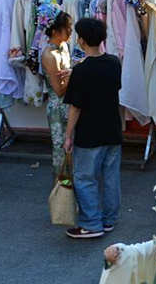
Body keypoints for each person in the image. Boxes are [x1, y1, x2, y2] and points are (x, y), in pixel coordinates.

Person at [63, 18, 122, 239]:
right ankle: (108, 220)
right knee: (110, 176)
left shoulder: (81, 70)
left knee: (85, 178)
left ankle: (91, 224)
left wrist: (68, 136)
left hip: (90, 132)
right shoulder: (114, 62)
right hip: (112, 128)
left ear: (82, 40)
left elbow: (76, 108)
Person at [38, 0, 72, 177]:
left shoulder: (63, 47)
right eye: (68, 28)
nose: (71, 31)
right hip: (58, 107)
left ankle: (71, 185)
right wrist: (76, 75)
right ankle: (61, 190)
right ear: (55, 31)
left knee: (71, 147)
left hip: (68, 104)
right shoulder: (50, 55)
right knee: (60, 148)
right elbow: (58, 89)